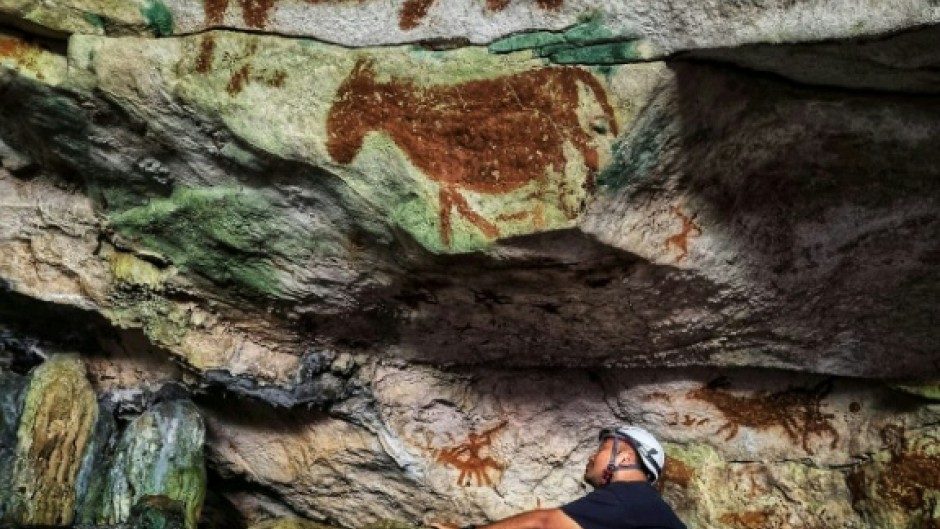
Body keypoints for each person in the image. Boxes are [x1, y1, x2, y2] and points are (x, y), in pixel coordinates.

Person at [430, 426, 687, 529]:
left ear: (624, 458)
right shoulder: (642, 504)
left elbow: (542, 523)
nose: (591, 457)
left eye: (601, 450)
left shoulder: (627, 498)